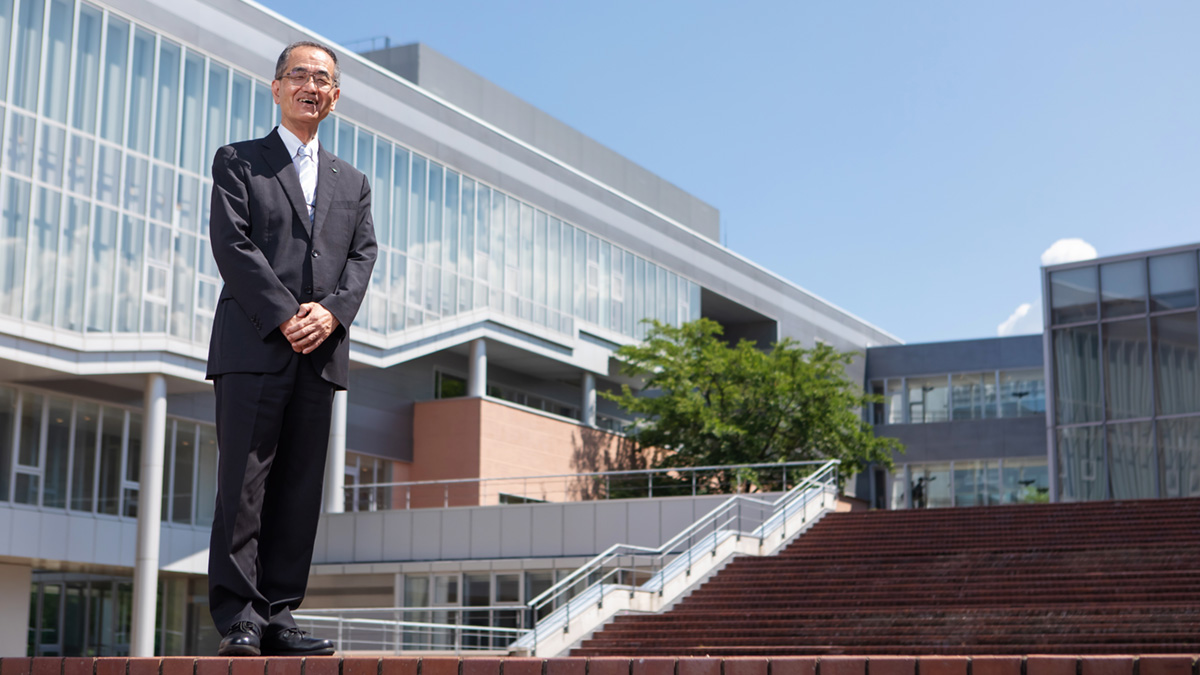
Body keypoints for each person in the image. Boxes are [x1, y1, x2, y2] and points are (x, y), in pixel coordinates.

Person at [205, 40, 377, 657]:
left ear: (335, 96)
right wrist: (286, 316)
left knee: (300, 487)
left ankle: (279, 614)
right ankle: (241, 619)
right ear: (276, 87)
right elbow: (233, 244)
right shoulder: (238, 160)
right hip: (253, 345)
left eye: (324, 79)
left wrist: (329, 314)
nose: (312, 85)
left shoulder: (353, 182)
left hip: (321, 352)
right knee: (243, 485)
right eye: (300, 74)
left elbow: (362, 258)